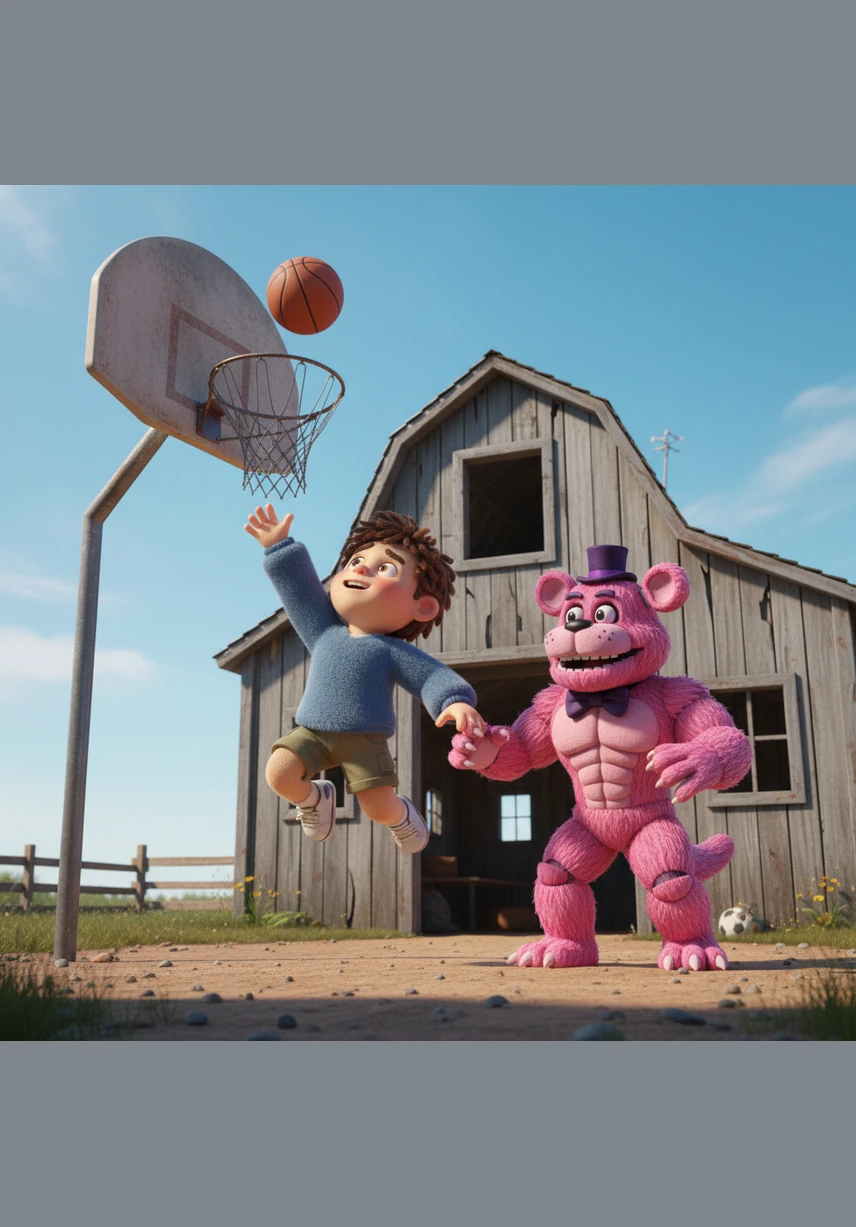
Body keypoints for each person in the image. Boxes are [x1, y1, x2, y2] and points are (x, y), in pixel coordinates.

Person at [245, 505, 484, 853]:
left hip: (364, 739)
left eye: (384, 568)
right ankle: (314, 799)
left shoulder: (389, 649)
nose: (360, 567)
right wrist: (279, 547)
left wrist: (454, 700)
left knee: (377, 807)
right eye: (356, 559)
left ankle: (401, 816)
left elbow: (429, 675)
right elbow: (300, 593)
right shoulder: (323, 631)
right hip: (312, 731)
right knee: (278, 773)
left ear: (422, 607)